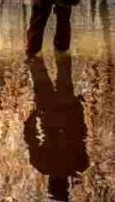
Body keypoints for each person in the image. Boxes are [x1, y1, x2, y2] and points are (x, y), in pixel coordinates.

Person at [23, 53, 89, 200]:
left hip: (66, 112)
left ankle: (57, 49)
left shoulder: (80, 164)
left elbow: (82, 133)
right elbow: (30, 136)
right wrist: (33, 116)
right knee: (39, 69)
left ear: (67, 186)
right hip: (50, 113)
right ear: (49, 184)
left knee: (63, 69)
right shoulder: (42, 165)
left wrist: (78, 108)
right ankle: (42, 51)